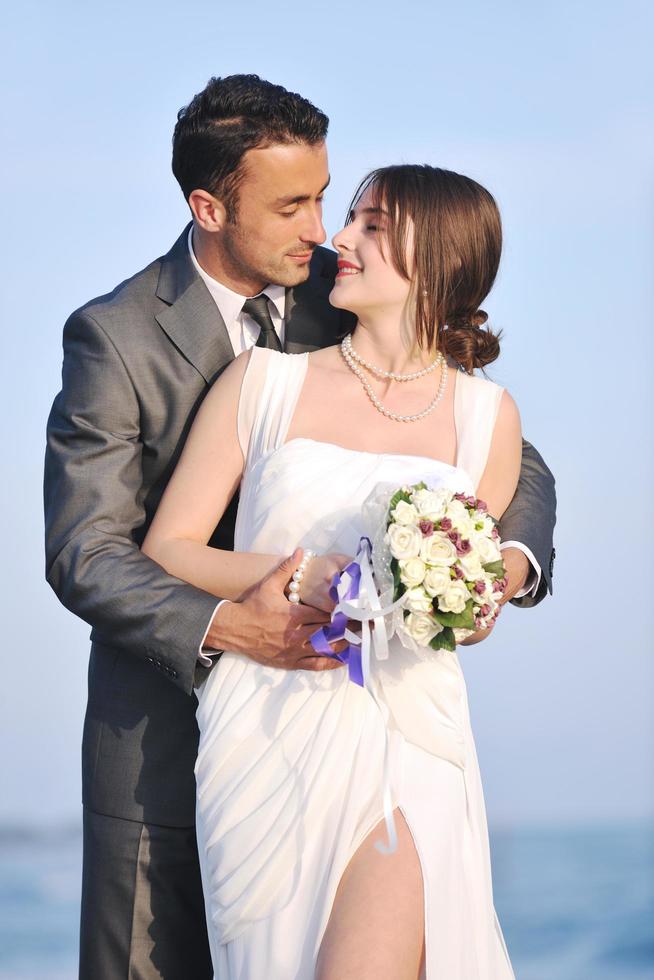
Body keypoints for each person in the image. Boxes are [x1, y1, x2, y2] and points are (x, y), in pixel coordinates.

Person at [43, 74, 554, 979]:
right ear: (208, 206)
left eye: (331, 199)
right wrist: (239, 618)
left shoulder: (348, 287)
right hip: (184, 724)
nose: (322, 230)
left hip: (394, 715)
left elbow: (498, 458)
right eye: (295, 205)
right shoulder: (114, 336)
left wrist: (499, 568)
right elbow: (89, 551)